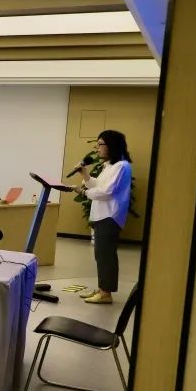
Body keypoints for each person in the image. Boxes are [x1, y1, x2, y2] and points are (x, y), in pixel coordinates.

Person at [75, 130, 133, 304]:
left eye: (100, 144)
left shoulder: (121, 166)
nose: (97, 148)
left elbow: (107, 192)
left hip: (110, 216)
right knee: (101, 255)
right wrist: (84, 174)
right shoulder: (109, 166)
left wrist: (84, 192)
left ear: (111, 145)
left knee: (106, 255)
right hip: (102, 215)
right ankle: (102, 289)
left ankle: (106, 293)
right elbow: (96, 185)